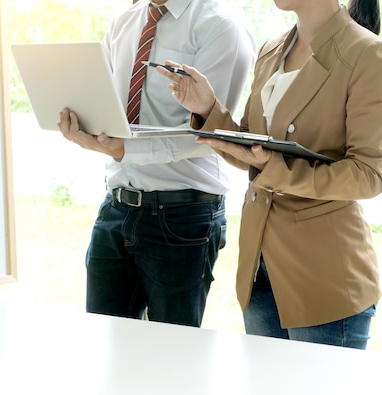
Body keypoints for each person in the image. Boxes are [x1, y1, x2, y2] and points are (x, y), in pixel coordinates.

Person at [157, 0, 382, 348]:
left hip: (324, 277)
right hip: (259, 270)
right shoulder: (271, 49)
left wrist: (273, 169)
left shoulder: (367, 54)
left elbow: (368, 174)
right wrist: (208, 109)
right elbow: (253, 149)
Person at [57, 0, 255, 327]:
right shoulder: (124, 21)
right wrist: (85, 124)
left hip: (182, 216)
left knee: (173, 356)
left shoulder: (220, 24)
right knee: (106, 343)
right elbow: (108, 107)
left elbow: (211, 133)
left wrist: (123, 150)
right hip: (117, 206)